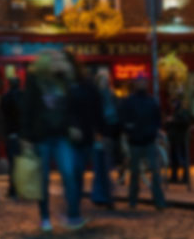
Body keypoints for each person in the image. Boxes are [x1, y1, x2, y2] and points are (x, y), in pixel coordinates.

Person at [21, 50, 86, 232]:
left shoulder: (65, 80)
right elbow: (27, 109)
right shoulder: (35, 81)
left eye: (61, 60)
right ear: (45, 63)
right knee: (43, 180)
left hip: (62, 135)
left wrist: (73, 124)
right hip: (42, 136)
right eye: (55, 60)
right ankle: (44, 217)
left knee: (69, 174)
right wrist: (26, 137)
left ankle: (73, 215)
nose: (59, 62)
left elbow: (72, 107)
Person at [120, 78, 166, 210]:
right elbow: (124, 119)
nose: (142, 84)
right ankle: (133, 199)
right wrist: (130, 130)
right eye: (140, 82)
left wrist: (154, 131)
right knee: (135, 173)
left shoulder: (151, 101)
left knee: (155, 171)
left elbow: (157, 118)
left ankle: (159, 201)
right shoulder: (130, 101)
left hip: (149, 141)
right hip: (135, 141)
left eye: (144, 82)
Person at [64, 53, 102, 210]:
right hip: (68, 137)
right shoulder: (64, 86)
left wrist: (99, 131)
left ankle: (74, 205)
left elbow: (96, 109)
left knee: (77, 171)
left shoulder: (86, 86)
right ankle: (73, 205)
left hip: (85, 135)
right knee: (73, 171)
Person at [91, 69, 118, 209]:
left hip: (107, 136)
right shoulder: (97, 97)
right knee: (99, 167)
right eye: (101, 79)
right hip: (98, 137)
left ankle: (106, 196)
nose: (104, 82)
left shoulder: (110, 96)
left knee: (106, 167)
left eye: (105, 80)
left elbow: (115, 116)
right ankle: (100, 195)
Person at [0, 71, 23, 199]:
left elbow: (2, 115)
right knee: (20, 162)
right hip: (21, 133)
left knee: (13, 163)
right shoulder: (22, 96)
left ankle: (13, 188)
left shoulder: (5, 97)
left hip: (11, 133)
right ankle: (19, 187)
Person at [166, 91, 191, 183]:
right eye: (172, 102)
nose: (172, 104)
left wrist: (173, 120)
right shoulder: (174, 112)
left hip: (180, 138)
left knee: (181, 158)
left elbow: (185, 122)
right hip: (174, 138)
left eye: (174, 102)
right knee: (174, 158)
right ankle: (174, 176)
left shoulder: (182, 111)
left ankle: (185, 177)